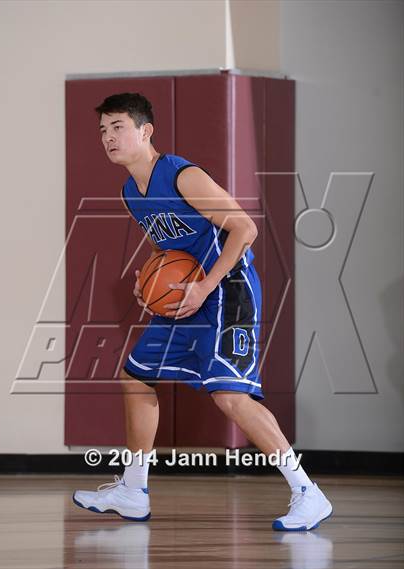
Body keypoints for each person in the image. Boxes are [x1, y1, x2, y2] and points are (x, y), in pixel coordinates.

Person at [73, 92, 333, 531]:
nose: (108, 138)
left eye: (118, 127)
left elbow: (244, 228)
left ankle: (308, 493)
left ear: (145, 131)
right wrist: (150, 282)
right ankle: (134, 491)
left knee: (229, 396)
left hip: (228, 290)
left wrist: (204, 287)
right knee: (135, 377)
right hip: (190, 293)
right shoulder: (130, 192)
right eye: (103, 130)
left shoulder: (180, 175)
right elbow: (169, 247)